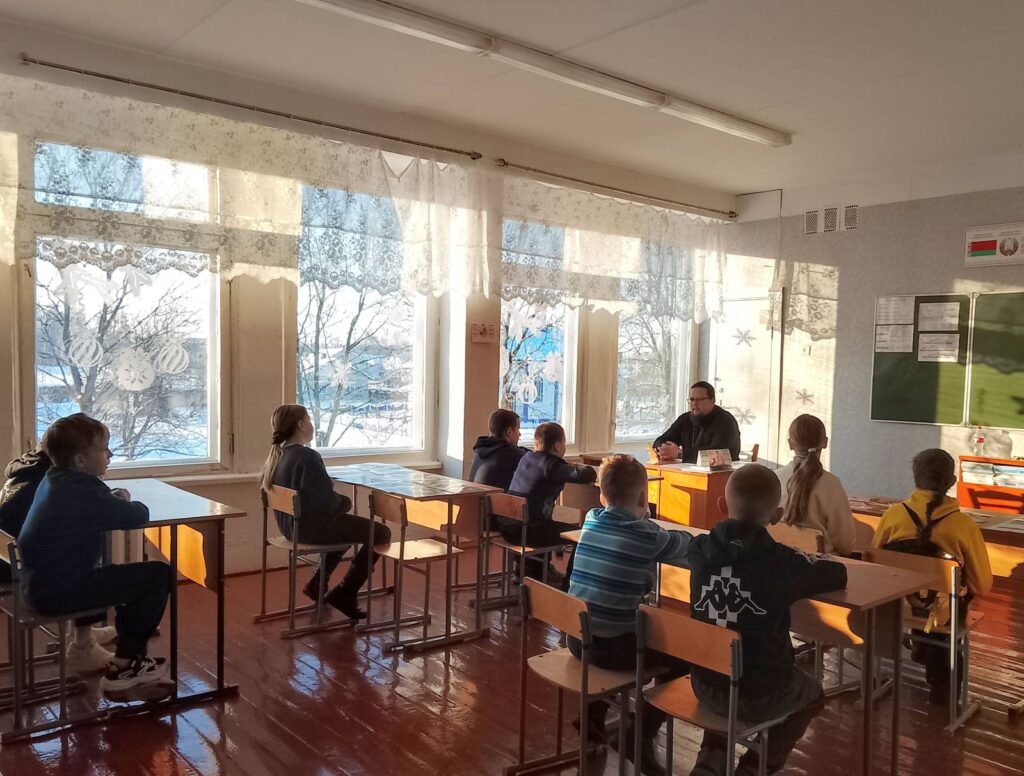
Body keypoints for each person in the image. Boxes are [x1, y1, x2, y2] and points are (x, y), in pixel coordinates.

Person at [687, 464, 847, 776]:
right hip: (761, 693)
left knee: (726, 662)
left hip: (704, 684)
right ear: (777, 516)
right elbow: (837, 573)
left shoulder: (698, 551)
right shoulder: (783, 563)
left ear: (721, 505)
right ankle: (755, 767)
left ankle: (712, 758)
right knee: (812, 695)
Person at [18, 414, 174, 702]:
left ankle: (114, 650)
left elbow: (95, 507)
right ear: (80, 460)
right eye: (104, 449)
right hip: (58, 593)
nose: (110, 455)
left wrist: (111, 500)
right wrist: (125, 501)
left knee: (119, 574)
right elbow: (137, 516)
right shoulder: (82, 489)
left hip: (36, 586)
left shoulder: (55, 478)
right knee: (158, 575)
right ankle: (124, 667)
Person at [568, 455, 691, 775]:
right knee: (683, 658)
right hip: (614, 650)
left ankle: (594, 716)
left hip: (577, 640)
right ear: (643, 498)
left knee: (612, 620)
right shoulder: (647, 534)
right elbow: (683, 545)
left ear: (601, 496)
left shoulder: (592, 519)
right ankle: (640, 732)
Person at [871, 448, 993, 703]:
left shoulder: (892, 516)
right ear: (952, 481)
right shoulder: (964, 525)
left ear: (915, 478)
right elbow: (981, 585)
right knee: (947, 604)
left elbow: (875, 562)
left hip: (897, 608)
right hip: (942, 617)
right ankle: (942, 686)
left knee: (922, 601)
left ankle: (920, 643)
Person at [259, 404, 391, 620]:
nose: (311, 424)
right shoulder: (307, 457)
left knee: (348, 528)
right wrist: (346, 502)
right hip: (310, 529)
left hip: (291, 528)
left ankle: (317, 583)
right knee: (381, 532)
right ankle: (346, 591)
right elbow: (327, 502)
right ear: (301, 425)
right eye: (309, 420)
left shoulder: (278, 456)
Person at [504, 422, 597, 583]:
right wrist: (573, 465)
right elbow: (587, 474)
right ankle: (569, 584)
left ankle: (526, 572)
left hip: (508, 527)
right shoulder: (552, 465)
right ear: (557, 446)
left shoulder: (527, 458)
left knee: (545, 520)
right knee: (582, 536)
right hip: (529, 531)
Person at [774, 414, 855, 555]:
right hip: (820, 564)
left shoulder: (775, 478)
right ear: (825, 442)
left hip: (779, 560)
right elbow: (845, 544)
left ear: (790, 444)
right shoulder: (832, 484)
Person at [652, 381, 741, 464]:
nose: (694, 403)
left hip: (723, 473)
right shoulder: (685, 419)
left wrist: (680, 454)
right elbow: (660, 440)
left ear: (713, 400)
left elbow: (716, 455)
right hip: (688, 471)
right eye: (692, 399)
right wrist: (663, 449)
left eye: (699, 400)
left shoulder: (726, 422)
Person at [468, 409, 528, 492]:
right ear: (509, 432)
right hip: (495, 500)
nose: (520, 434)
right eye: (518, 428)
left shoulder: (480, 449)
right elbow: (536, 461)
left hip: (473, 498)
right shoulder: (511, 454)